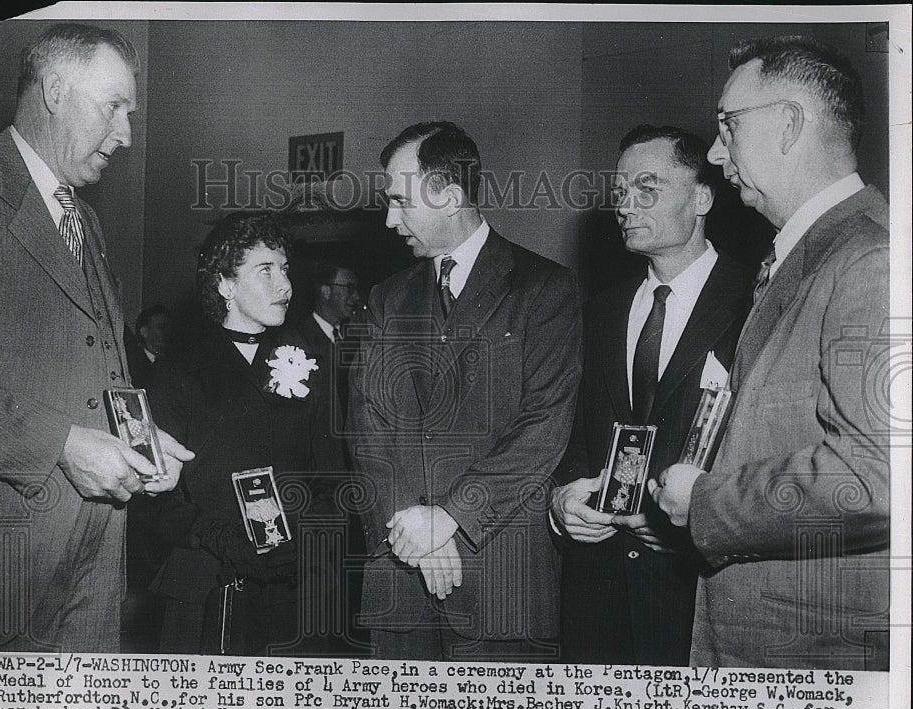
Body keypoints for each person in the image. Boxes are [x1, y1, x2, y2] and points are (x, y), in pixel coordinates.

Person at [0, 23, 193, 652]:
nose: (127, 135)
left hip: (93, 565)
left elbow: (97, 370)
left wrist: (139, 440)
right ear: (54, 90)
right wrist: (59, 443)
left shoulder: (84, 220)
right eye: (114, 107)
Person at [649, 36, 890, 669]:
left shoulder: (869, 260)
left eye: (728, 125)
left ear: (789, 124)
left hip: (813, 653)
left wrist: (705, 502)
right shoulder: (809, 254)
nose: (714, 151)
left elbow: (873, 479)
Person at [348, 121, 580, 660]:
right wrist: (416, 533)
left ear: (450, 196)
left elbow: (545, 426)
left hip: (501, 587)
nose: (389, 219)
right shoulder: (387, 298)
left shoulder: (545, 289)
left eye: (400, 202)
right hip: (400, 586)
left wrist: (451, 516)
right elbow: (367, 426)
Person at [550, 125, 752, 665]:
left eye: (647, 188)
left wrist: (699, 525)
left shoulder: (756, 301)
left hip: (695, 596)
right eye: (620, 193)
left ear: (702, 197)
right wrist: (562, 499)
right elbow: (572, 434)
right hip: (598, 599)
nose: (625, 206)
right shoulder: (600, 310)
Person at [148, 212, 346, 655]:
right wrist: (222, 540)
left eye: (285, 269)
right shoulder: (178, 371)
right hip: (208, 582)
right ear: (225, 285)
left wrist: (308, 538)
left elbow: (332, 474)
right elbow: (159, 498)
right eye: (266, 270)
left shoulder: (309, 363)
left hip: (297, 585)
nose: (286, 286)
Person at [294, 262, 363, 420]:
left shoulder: (356, 339)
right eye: (349, 288)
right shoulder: (298, 340)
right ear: (326, 291)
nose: (356, 297)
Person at [125, 303, 172, 389]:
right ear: (144, 332)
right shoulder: (132, 363)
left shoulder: (173, 367)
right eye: (161, 328)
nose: (168, 333)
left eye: (170, 328)